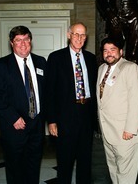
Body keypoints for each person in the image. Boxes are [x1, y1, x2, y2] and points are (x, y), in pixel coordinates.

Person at [0, 26, 46, 184]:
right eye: (18, 40)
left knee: (33, 166)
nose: (23, 43)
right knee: (15, 169)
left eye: (26, 39)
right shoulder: (0, 65)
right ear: (11, 43)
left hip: (37, 126)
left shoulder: (41, 62)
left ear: (30, 41)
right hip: (14, 126)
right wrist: (13, 117)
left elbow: (46, 91)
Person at [45, 22, 98, 183]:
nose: (79, 38)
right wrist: (52, 120)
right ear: (69, 35)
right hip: (64, 116)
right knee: (65, 160)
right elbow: (49, 91)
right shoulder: (55, 58)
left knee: (85, 160)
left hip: (86, 114)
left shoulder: (91, 58)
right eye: (76, 34)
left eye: (82, 35)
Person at [96, 37, 138, 183]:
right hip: (108, 131)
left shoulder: (130, 68)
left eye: (112, 50)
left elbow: (136, 100)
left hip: (125, 133)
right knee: (113, 170)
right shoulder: (101, 69)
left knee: (126, 175)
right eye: (105, 50)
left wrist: (130, 129)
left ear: (121, 51)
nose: (109, 53)